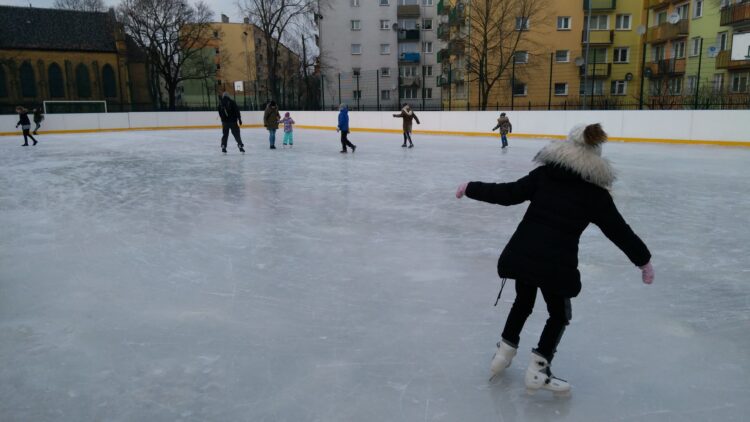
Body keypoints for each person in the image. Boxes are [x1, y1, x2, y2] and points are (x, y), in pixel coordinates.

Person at [455, 123, 654, 396]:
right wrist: (643, 261)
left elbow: (508, 193)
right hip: (555, 266)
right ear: (595, 154)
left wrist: (471, 187)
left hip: (523, 255)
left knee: (523, 302)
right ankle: (538, 370)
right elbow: (618, 230)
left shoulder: (545, 175)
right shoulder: (595, 195)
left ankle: (503, 352)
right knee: (559, 314)